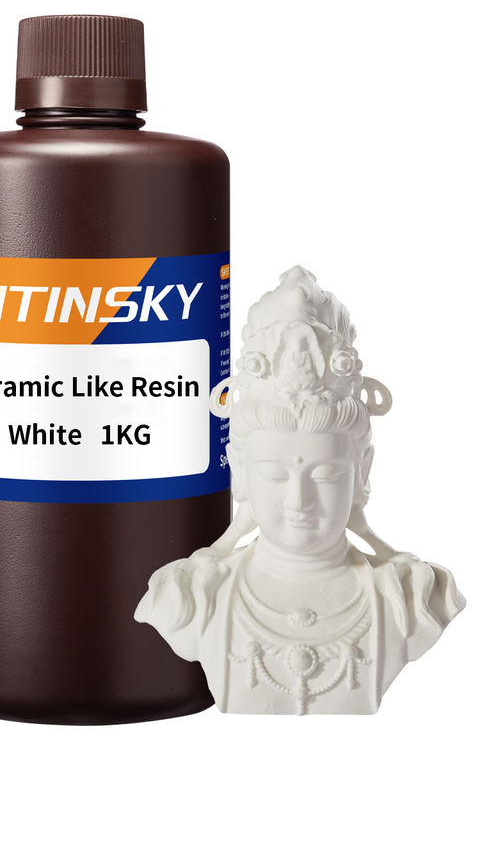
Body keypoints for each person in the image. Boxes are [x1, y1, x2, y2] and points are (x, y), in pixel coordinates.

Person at [135, 266, 465, 714]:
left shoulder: (411, 597)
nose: (298, 502)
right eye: (275, 476)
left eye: (325, 476)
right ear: (240, 473)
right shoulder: (193, 596)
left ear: (362, 471)